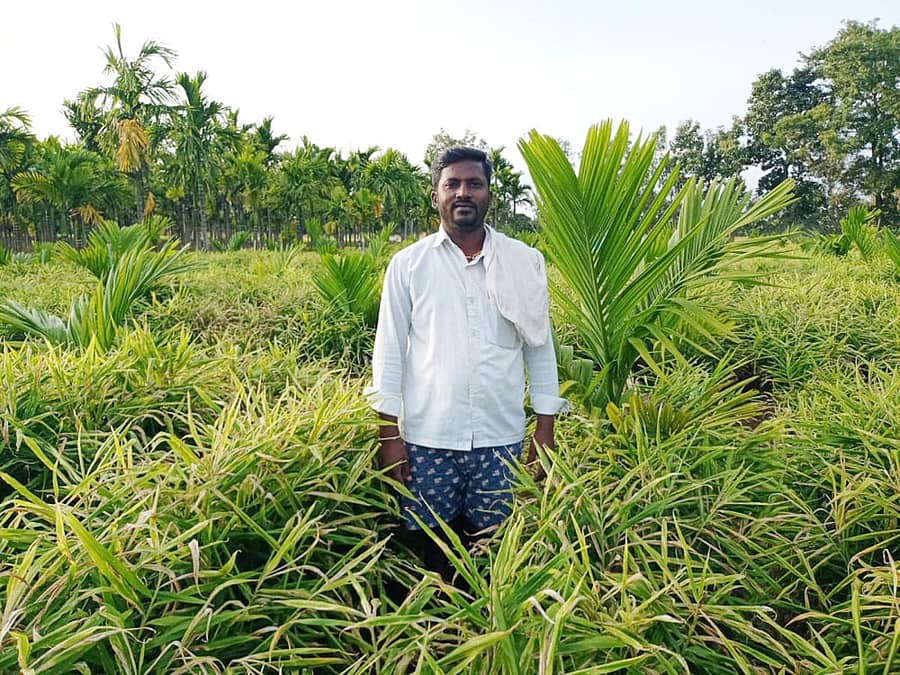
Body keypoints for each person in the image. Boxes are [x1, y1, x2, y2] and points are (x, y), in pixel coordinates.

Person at [366, 146, 566, 582]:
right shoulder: (408, 265)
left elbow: (539, 347)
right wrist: (388, 436)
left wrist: (545, 429)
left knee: (492, 547)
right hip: (427, 438)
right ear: (435, 196)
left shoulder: (523, 261)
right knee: (429, 546)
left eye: (474, 183)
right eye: (452, 184)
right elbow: (390, 353)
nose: (463, 192)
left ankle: (485, 632)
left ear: (489, 193)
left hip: (501, 439)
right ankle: (433, 633)